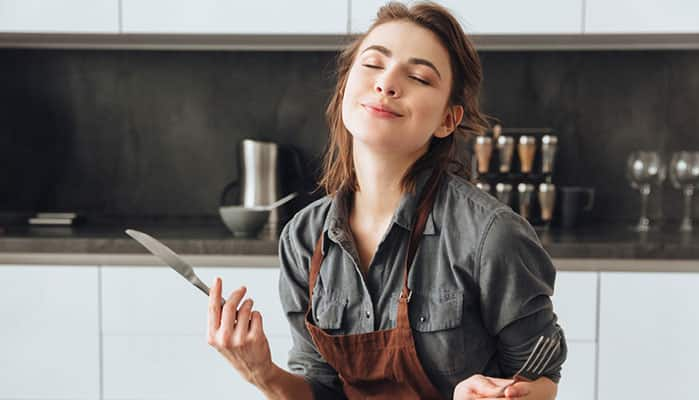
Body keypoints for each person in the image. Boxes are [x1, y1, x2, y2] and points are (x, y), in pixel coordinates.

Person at [206, 2, 567, 399]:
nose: (387, 83)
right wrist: (261, 373)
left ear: (448, 119)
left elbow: (540, 380)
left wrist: (508, 395)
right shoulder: (303, 239)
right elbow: (319, 388)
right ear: (345, 85)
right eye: (373, 64)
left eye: (418, 77)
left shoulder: (491, 237)